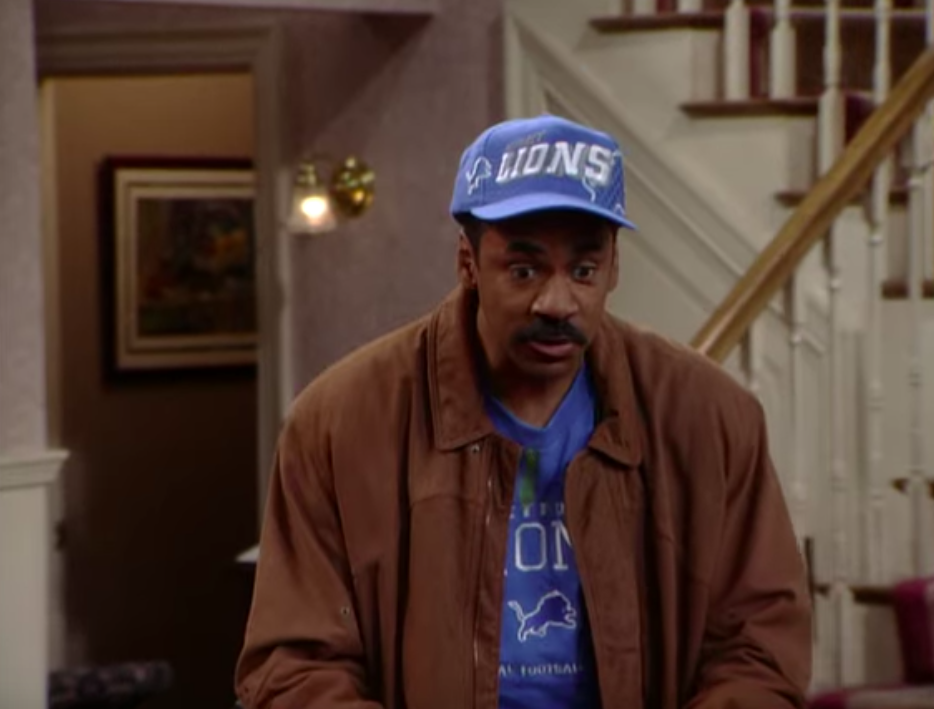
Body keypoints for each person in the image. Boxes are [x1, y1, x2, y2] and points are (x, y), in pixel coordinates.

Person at [235, 115, 812, 709]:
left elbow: (760, 647)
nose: (557, 302)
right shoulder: (338, 423)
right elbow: (293, 667)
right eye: (524, 269)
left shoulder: (710, 418)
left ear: (614, 266)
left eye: (584, 271)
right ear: (468, 263)